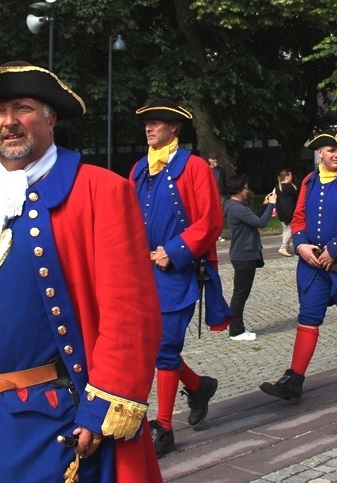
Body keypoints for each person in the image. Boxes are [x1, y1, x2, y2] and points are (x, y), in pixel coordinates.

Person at [0, 62, 162, 482]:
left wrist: (104, 405)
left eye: (22, 108)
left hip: (48, 419)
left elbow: (130, 312)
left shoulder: (101, 190)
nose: (8, 122)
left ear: (51, 117)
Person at [131, 98, 232, 458]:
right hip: (142, 272)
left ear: (174, 128)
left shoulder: (194, 167)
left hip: (178, 272)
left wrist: (172, 251)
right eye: (147, 122)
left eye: (157, 122)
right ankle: (199, 386)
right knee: (151, 345)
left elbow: (209, 220)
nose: (150, 127)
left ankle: (164, 426)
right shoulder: (139, 169)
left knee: (166, 347)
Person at [259, 131, 337, 403]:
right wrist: (301, 244)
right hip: (313, 263)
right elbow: (299, 217)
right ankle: (294, 379)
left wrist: (336, 249)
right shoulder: (309, 180)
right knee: (308, 317)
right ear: (320, 153)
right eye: (331, 149)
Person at [223, 175, 275, 341]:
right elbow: (261, 223)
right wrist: (272, 205)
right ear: (238, 190)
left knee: (241, 293)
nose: (248, 191)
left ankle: (238, 328)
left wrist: (264, 206)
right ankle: (236, 330)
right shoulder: (237, 207)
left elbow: (253, 220)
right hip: (243, 254)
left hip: (243, 254)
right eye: (245, 188)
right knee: (240, 294)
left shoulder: (236, 206)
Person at [274, 170, 298, 256]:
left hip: (281, 211)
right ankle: (283, 247)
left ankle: (286, 247)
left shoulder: (278, 187)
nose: (292, 177)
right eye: (290, 176)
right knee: (289, 230)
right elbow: (296, 197)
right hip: (289, 211)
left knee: (286, 229)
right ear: (287, 176)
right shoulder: (289, 187)